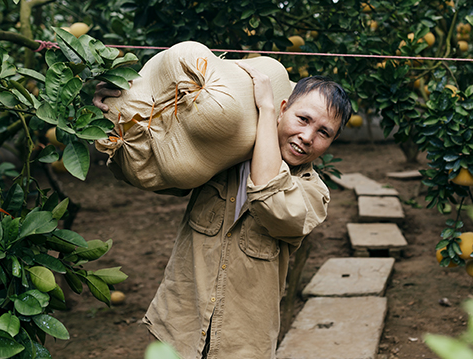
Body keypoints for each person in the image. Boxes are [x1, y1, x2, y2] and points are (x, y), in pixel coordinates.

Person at [93, 62, 352, 359]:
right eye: (302, 119)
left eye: (323, 132)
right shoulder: (222, 153)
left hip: (241, 344)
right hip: (179, 327)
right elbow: (157, 174)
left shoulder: (312, 194)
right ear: (285, 109)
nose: (308, 137)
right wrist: (118, 111)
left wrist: (265, 110)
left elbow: (272, 199)